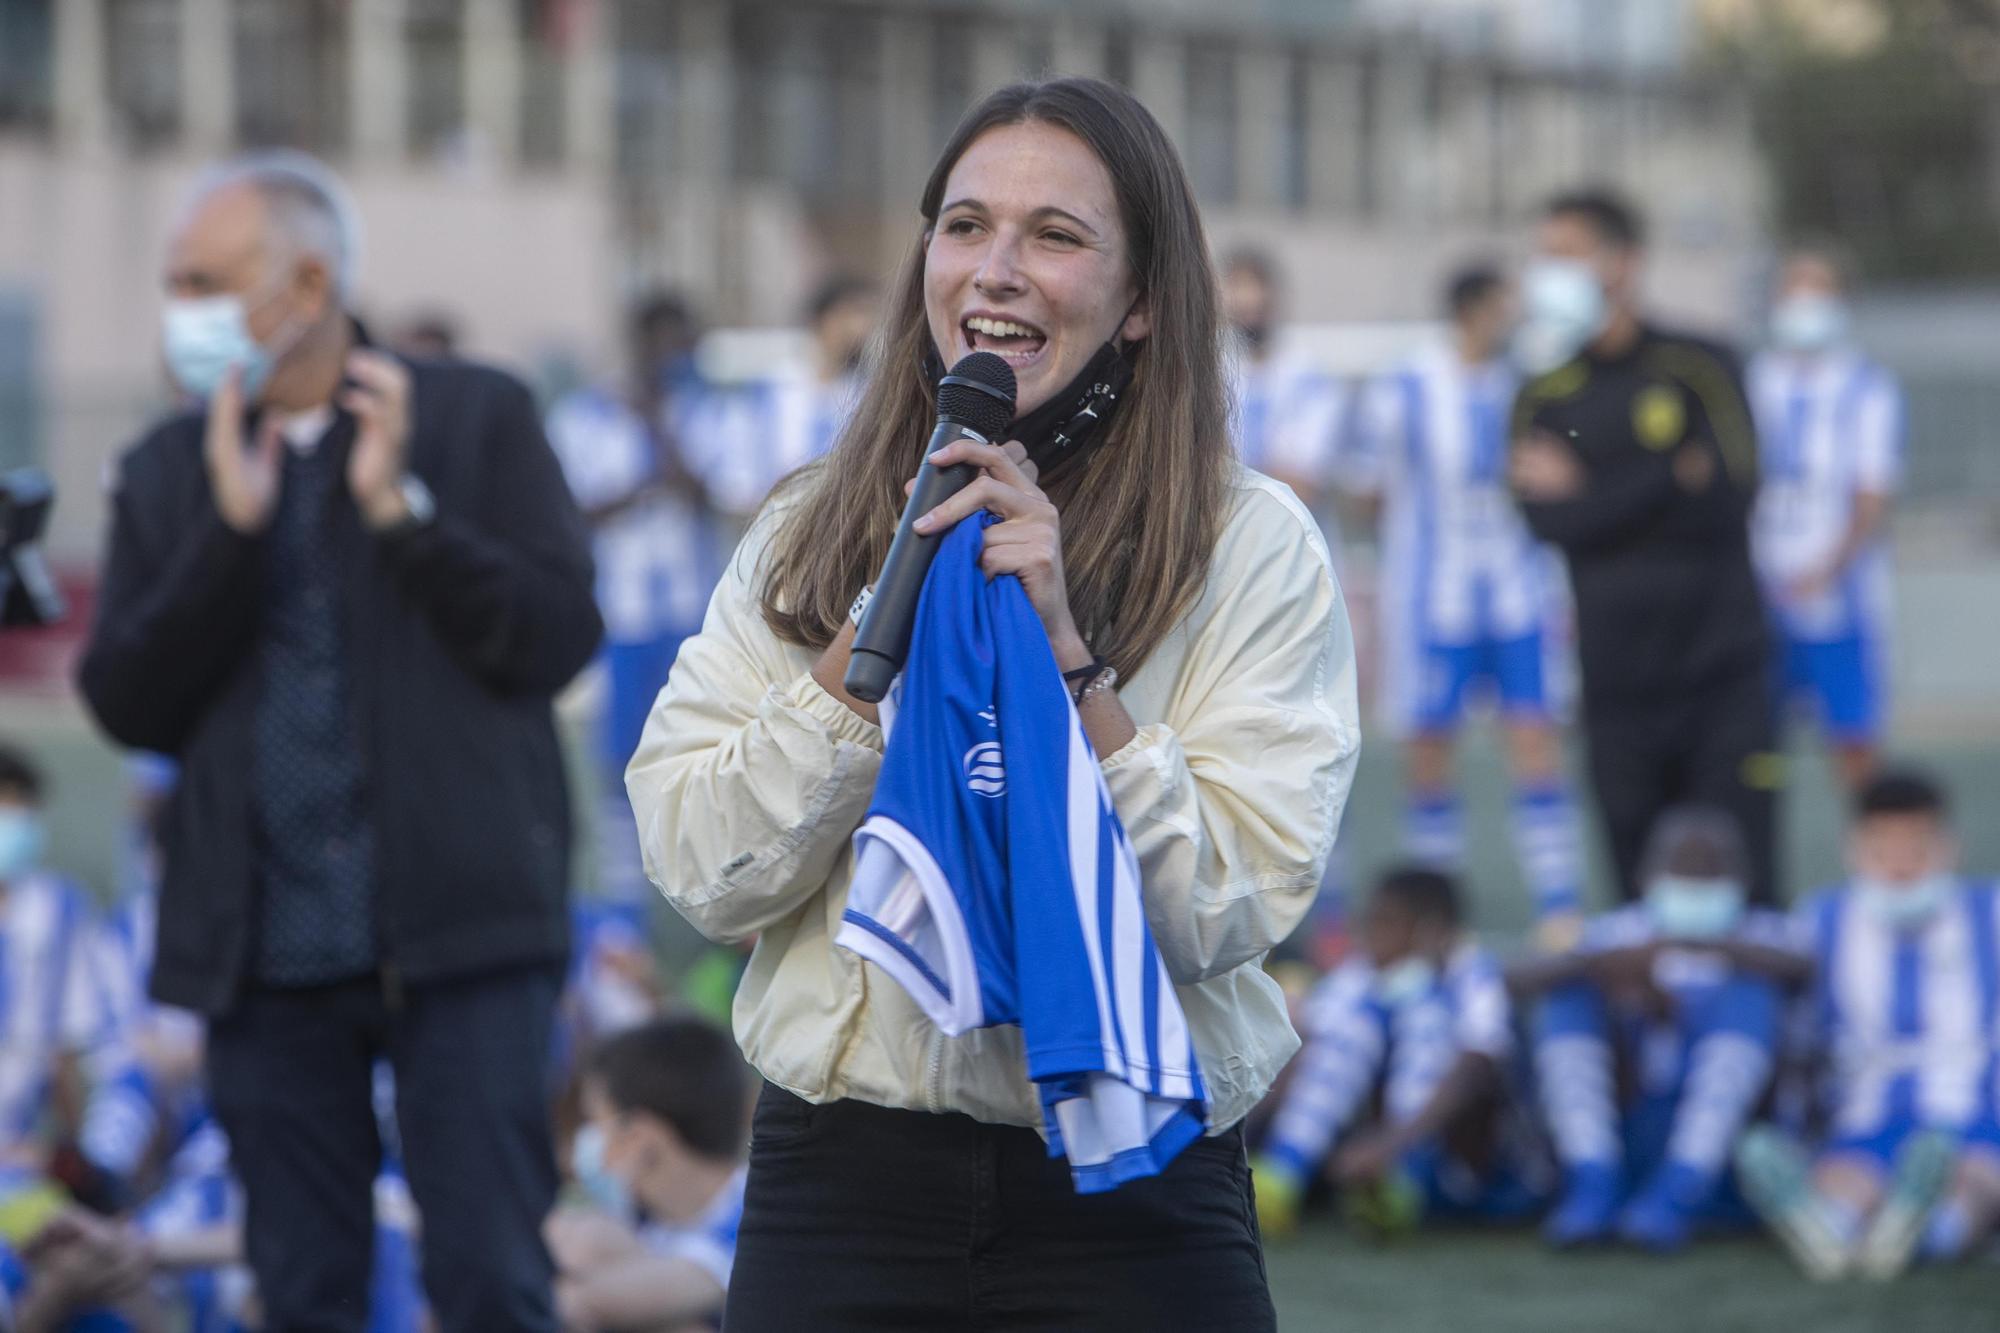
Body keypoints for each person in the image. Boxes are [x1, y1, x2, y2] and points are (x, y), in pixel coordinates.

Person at [626, 77, 1358, 1329]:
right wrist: (870, 645)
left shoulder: (1248, 542)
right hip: (840, 1193)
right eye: (963, 227)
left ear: (1140, 302)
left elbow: (1231, 900)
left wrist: (1070, 658)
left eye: (1054, 236)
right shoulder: (812, 528)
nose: (994, 270)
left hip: (1135, 1189)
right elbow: (704, 869)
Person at [76, 150, 602, 1332]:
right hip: (261, 960)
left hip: (462, 939)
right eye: (177, 283)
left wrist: (399, 514)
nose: (183, 312)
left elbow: (557, 634)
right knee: (303, 1285)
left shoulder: (473, 416)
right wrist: (228, 532)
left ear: (307, 284)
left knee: (489, 1278)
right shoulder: (168, 468)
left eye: (204, 280)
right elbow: (125, 699)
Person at [1509, 188, 1779, 904]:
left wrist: (1593, 487)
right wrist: (1667, 473)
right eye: (1544, 256)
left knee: (1747, 881)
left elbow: (1731, 495)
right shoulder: (1542, 393)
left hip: (1723, 674)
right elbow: (1546, 524)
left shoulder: (1702, 365)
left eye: (1564, 254)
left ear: (1623, 262)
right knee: (1638, 896)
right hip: (1614, 687)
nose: (1547, 271)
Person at [1345, 262, 1585, 933]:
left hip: (1519, 593)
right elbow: (1365, 488)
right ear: (1474, 310)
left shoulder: (1530, 386)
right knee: (1430, 747)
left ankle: (1559, 906)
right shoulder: (1405, 386)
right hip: (1433, 601)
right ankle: (1436, 912)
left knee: (1535, 737)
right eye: (1504, 306)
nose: (1514, 319)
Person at [1737, 770, 2000, 1280]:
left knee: (1972, 1176)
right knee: (1846, 1177)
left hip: (1969, 1112)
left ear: (1948, 847)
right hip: (1863, 1110)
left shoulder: (1989, 910)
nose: (1901, 865)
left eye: (1917, 849)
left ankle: (1918, 1229)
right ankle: (1832, 1225)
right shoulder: (1820, 917)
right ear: (1854, 848)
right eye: (1884, 850)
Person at [1513, 807, 1809, 1251]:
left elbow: (1805, 970)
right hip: (1635, 1116)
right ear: (1646, 877)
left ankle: (1680, 1189)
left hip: (1730, 1156)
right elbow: (1513, 977)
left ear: (1742, 880)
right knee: (1568, 997)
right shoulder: (1621, 931)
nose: (1694, 883)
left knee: (1751, 996)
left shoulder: (1767, 931)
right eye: (1681, 870)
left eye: (1711, 871)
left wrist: (1704, 946)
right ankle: (1592, 1179)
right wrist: (1606, 970)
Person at [545, 292, 719, 905]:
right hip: (622, 618)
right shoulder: (585, 415)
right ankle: (626, 912)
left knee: (700, 754)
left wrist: (660, 431)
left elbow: (718, 494)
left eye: (687, 344)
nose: (680, 356)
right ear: (642, 345)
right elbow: (569, 511)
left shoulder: (701, 412)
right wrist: (636, 487)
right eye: (670, 343)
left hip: (693, 618)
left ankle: (697, 900)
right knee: (621, 758)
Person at [1251, 866, 1536, 1239]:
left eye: (1385, 922)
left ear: (1431, 930)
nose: (1370, 935)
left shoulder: (1473, 972)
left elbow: (1479, 1061)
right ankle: (1281, 1174)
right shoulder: (1362, 973)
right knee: (1347, 1030)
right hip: (1366, 1148)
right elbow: (1303, 1045)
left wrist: (1391, 1145)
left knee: (1425, 1017)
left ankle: (1400, 1179)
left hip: (1475, 1170)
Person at [1749, 244, 1904, 791]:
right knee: (1756, 750)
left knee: (1855, 747)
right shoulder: (1752, 380)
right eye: (1794, 288)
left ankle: (1877, 868)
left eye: (1819, 290)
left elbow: (1871, 494)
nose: (1804, 302)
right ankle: (1757, 869)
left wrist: (1828, 567)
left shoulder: (1868, 388)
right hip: (1758, 596)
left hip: (1840, 600)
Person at [548, 1016, 749, 1333]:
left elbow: (586, 1303)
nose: (585, 1145)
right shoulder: (644, 1218)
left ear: (642, 1138)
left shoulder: (757, 1219)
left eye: (595, 1122)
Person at [0, 745, 111, 1167]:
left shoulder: (59, 909)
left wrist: (71, 1158)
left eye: (18, 807)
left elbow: (65, 1054)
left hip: (19, 1151)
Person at [694, 274, 880, 521]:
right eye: (854, 313)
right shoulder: (771, 390)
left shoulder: (868, 395)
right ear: (823, 319)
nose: (863, 327)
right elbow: (734, 477)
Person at [1220, 248, 1347, 513]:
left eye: (1255, 291)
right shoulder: (1212, 376)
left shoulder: (1310, 378)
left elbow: (1304, 483)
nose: (1248, 303)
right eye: (1238, 291)